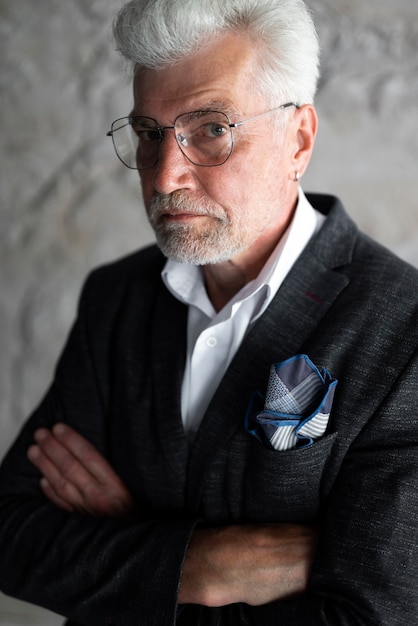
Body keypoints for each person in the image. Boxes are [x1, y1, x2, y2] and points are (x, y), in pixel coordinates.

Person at [0, 0, 417, 624]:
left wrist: (132, 553)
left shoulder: (403, 329)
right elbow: (11, 535)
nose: (166, 174)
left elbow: (369, 614)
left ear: (298, 139)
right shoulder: (116, 299)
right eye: (148, 133)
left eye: (212, 128)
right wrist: (200, 564)